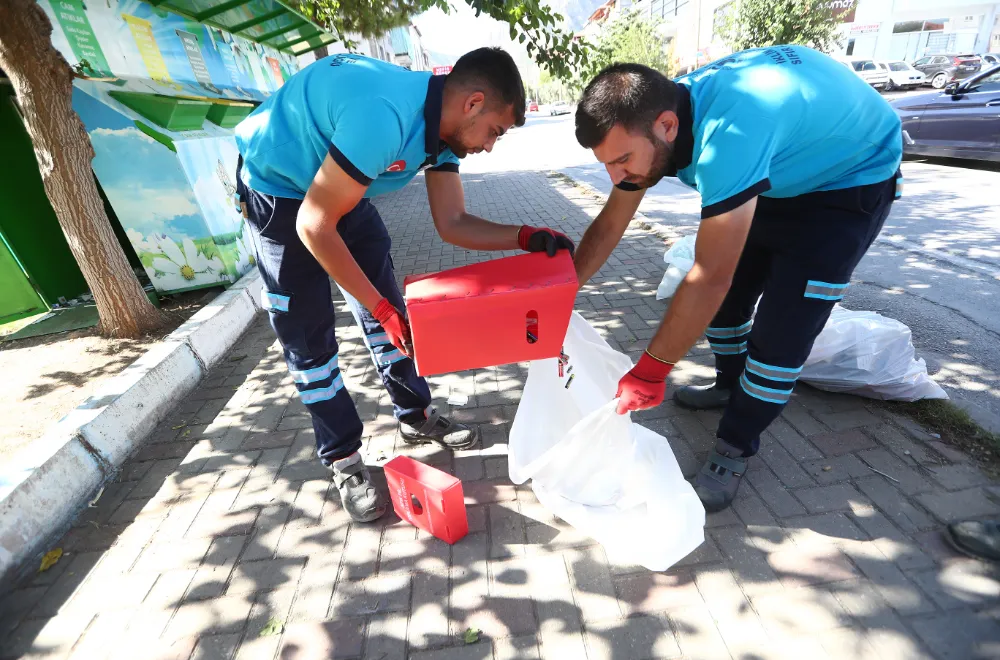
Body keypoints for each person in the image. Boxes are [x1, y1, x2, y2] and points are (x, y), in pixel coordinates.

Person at [234, 48, 574, 523]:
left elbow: (452, 222)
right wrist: (377, 306)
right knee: (309, 339)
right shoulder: (384, 117)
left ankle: (414, 415)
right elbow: (314, 224)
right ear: (473, 103)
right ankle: (344, 458)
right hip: (280, 191)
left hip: (342, 189)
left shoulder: (445, 135)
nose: (491, 145)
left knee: (395, 318)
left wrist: (523, 237)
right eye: (495, 131)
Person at [572, 46, 902, 512]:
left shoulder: (729, 139)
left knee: (781, 335)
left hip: (848, 183)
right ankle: (730, 384)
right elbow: (609, 223)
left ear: (667, 126)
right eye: (606, 162)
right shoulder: (663, 119)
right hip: (786, 170)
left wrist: (651, 370)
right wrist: (565, 288)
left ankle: (736, 444)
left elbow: (709, 277)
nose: (616, 175)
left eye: (622, 159)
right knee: (728, 307)